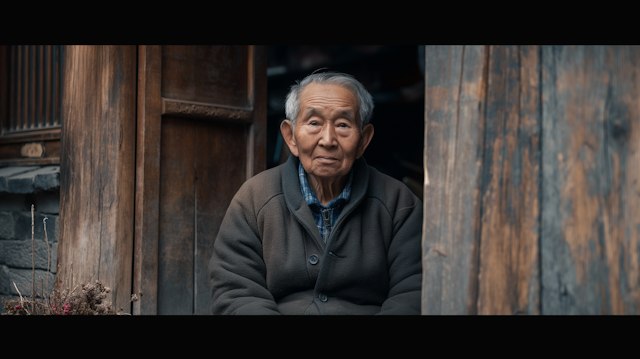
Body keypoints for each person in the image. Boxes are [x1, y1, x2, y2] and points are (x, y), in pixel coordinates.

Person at [208, 71, 423, 314]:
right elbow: (236, 290)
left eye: (343, 125)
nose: (328, 139)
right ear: (290, 137)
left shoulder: (398, 203)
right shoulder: (254, 197)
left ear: (364, 140)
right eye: (314, 123)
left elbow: (413, 290)